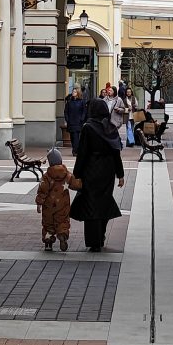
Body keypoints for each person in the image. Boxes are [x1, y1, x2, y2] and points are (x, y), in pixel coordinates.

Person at [70, 99, 125, 252]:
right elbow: (116, 153)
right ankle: (101, 236)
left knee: (91, 205)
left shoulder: (88, 127)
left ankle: (94, 241)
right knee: (104, 202)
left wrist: (76, 174)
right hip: (108, 171)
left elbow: (82, 153)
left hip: (91, 169)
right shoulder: (111, 127)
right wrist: (120, 174)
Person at [35, 147, 80, 252]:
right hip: (63, 204)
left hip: (48, 206)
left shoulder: (47, 176)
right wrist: (83, 184)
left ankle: (48, 243)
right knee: (62, 221)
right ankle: (62, 235)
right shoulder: (66, 174)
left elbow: (42, 190)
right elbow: (75, 184)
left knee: (48, 223)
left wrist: (39, 203)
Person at [63, 85, 88, 153]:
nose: (73, 93)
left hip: (78, 122)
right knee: (72, 137)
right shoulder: (69, 102)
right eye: (73, 91)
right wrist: (67, 119)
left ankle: (75, 150)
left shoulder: (81, 101)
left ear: (78, 93)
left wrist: (82, 119)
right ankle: (75, 149)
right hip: (71, 122)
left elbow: (84, 111)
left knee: (76, 136)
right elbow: (66, 111)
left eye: (75, 92)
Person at [111, 81, 133, 146]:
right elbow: (123, 108)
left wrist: (134, 106)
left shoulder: (134, 98)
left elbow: (136, 106)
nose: (128, 93)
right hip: (127, 116)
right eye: (127, 92)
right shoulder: (124, 99)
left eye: (129, 92)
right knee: (129, 129)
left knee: (131, 129)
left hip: (133, 116)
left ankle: (129, 142)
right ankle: (130, 142)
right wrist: (127, 109)